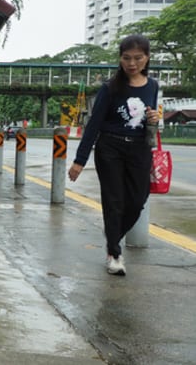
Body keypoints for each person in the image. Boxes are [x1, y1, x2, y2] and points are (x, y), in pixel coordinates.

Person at [68, 34, 160, 276]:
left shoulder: (153, 85)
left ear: (147, 58)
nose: (132, 63)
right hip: (110, 148)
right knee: (114, 202)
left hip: (139, 149)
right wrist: (80, 160)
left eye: (138, 58)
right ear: (120, 59)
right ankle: (114, 254)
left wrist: (154, 118)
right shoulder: (110, 88)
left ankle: (112, 233)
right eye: (126, 58)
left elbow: (150, 118)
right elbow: (94, 124)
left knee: (137, 202)